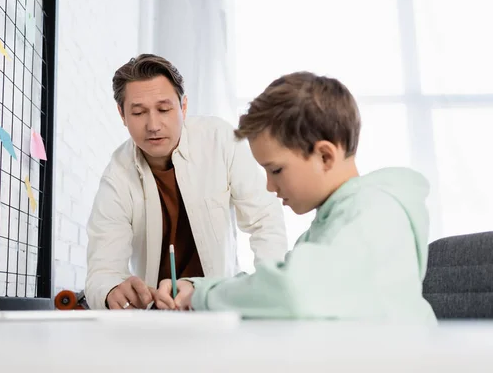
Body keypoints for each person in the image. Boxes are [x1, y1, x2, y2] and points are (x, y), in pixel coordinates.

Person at [154, 71, 437, 323]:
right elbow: (279, 280)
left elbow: (292, 290)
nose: (269, 186)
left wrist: (204, 298)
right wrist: (199, 287)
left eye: (276, 170)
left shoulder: (375, 213)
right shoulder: (331, 221)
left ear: (325, 156)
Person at [84, 54, 288, 310]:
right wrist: (111, 290)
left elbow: (264, 220)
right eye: (138, 112)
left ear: (183, 107)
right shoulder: (117, 174)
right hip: (155, 314)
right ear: (122, 114)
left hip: (216, 305)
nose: (153, 125)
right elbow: (102, 270)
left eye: (164, 109)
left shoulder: (220, 140)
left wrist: (271, 291)